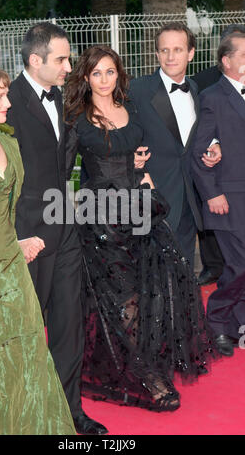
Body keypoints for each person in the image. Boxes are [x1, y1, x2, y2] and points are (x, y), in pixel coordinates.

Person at [65, 45, 218, 413]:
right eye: (96, 73)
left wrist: (140, 169)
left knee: (161, 286)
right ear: (85, 77)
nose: (104, 80)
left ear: (119, 74)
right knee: (124, 297)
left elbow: (131, 153)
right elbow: (64, 169)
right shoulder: (76, 117)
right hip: (101, 218)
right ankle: (147, 373)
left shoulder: (130, 108)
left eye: (110, 72)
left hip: (139, 208)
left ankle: (148, 359)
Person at [0, 64, 75, 435]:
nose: (8, 102)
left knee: (27, 358)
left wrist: (18, 243)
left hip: (12, 273)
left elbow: (4, 215)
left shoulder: (9, 144)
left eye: (7, 93)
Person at [6, 22, 107, 435]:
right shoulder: (6, 102)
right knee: (26, 329)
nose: (70, 67)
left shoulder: (62, 98)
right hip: (26, 233)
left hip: (65, 226)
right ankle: (28, 414)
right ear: (36, 60)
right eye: (62, 59)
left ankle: (69, 412)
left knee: (69, 324)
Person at [129, 22, 221, 269]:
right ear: (157, 53)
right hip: (152, 199)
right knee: (151, 277)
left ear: (191, 53)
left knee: (184, 274)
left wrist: (215, 144)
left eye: (178, 50)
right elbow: (122, 134)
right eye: (165, 50)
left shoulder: (195, 89)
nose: (171, 57)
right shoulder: (137, 90)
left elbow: (199, 134)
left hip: (189, 201)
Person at [192, 32, 245, 357]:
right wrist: (212, 194)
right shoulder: (213, 96)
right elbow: (201, 149)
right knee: (240, 265)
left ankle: (237, 323)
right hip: (228, 199)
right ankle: (217, 321)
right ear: (227, 61)